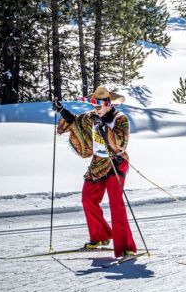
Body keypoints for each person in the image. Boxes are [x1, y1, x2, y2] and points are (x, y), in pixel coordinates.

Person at [53, 86, 137, 259]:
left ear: (107, 104)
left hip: (116, 162)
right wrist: (62, 111)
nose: (96, 110)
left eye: (99, 107)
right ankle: (100, 236)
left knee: (116, 203)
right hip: (98, 162)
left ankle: (126, 246)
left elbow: (121, 144)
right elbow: (76, 122)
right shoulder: (92, 116)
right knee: (88, 198)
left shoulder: (121, 119)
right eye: (95, 107)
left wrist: (105, 129)